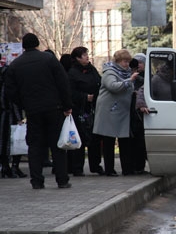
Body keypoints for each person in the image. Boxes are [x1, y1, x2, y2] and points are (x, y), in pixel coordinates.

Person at [5, 33, 73, 189]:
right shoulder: (49, 59)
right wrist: (67, 105)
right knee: (57, 144)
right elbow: (63, 82)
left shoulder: (16, 65)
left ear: (23, 46)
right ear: (37, 43)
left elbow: (10, 91)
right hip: (53, 108)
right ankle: (62, 180)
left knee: (34, 145)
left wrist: (23, 104)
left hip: (32, 110)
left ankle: (36, 180)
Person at [93, 49, 138, 176]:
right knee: (109, 141)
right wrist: (129, 81)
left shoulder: (126, 72)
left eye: (128, 62)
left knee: (124, 140)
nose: (127, 64)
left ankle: (127, 169)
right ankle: (109, 169)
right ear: (118, 61)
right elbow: (113, 86)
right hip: (110, 111)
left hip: (121, 111)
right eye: (124, 61)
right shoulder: (110, 72)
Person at [68, 46, 102, 176]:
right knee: (79, 139)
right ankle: (77, 167)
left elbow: (99, 82)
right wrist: (84, 97)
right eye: (83, 55)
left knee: (94, 138)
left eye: (87, 54)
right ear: (77, 58)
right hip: (79, 110)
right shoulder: (72, 72)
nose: (87, 56)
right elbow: (70, 91)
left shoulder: (91, 69)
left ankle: (96, 165)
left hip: (93, 108)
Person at [0, 63, 27, 178]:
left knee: (4, 142)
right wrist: (19, 118)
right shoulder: (9, 79)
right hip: (9, 116)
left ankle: (5, 166)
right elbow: (13, 100)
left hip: (4, 115)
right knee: (16, 141)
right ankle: (14, 167)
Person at [130, 53, 148, 174]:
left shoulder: (148, 78)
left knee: (141, 141)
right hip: (130, 112)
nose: (139, 65)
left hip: (142, 113)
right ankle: (133, 166)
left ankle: (140, 166)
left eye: (141, 63)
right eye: (136, 63)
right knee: (132, 141)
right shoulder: (130, 76)